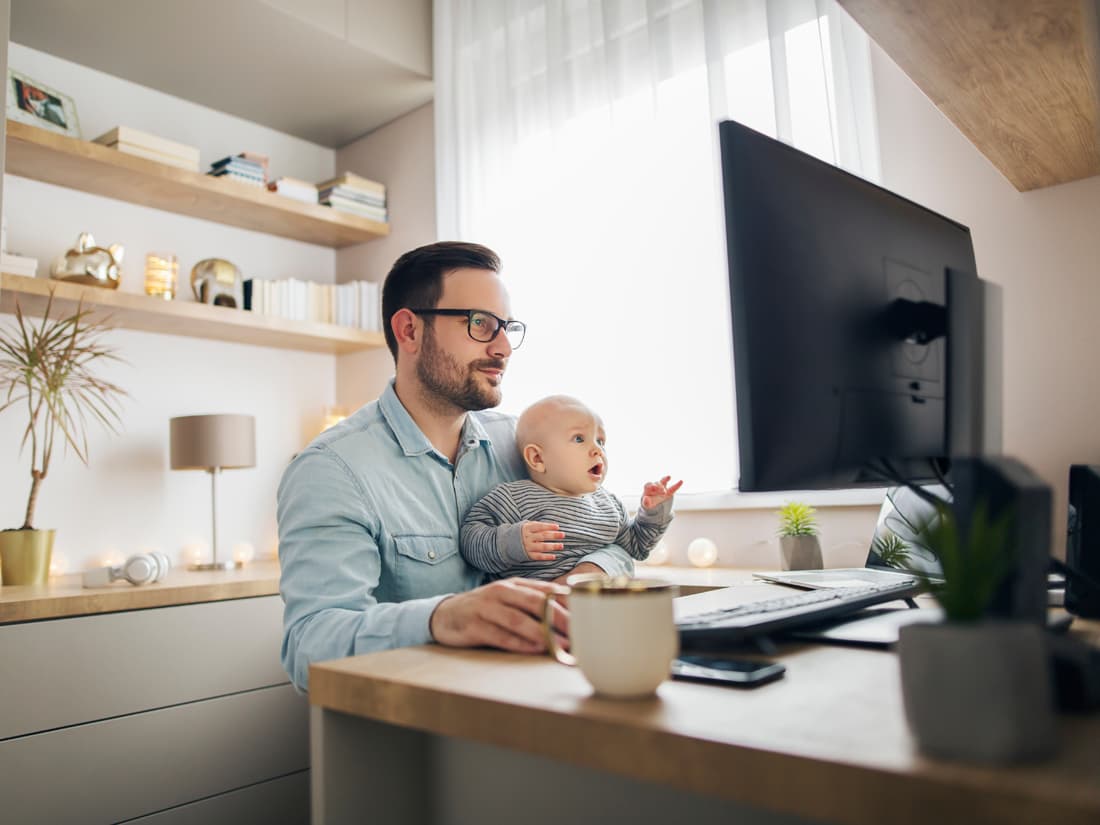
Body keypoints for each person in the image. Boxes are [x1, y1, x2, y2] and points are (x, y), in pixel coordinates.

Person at [277, 242, 634, 691]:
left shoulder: (524, 445)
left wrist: (589, 574)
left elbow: (618, 540)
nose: (503, 347)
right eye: (481, 324)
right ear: (409, 330)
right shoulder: (331, 470)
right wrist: (441, 618)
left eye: (507, 328)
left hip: (548, 699)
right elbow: (309, 646)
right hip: (424, 733)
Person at [461, 395, 682, 580]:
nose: (597, 450)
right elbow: (470, 539)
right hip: (533, 612)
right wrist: (512, 541)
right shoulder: (513, 498)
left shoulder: (609, 505)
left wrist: (654, 512)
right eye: (579, 439)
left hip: (595, 608)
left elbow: (637, 547)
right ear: (537, 458)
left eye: (600, 441)